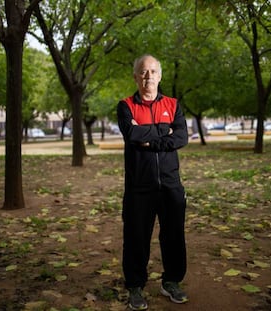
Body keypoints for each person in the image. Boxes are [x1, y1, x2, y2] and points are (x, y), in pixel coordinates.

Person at [117, 54, 189, 310]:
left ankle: (171, 282)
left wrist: (149, 139)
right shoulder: (125, 106)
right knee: (136, 238)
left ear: (160, 76)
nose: (148, 76)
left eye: (153, 71)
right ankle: (135, 287)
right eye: (143, 72)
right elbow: (131, 133)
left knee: (174, 237)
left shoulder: (173, 104)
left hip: (171, 185)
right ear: (136, 76)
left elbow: (181, 137)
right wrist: (163, 132)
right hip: (139, 187)